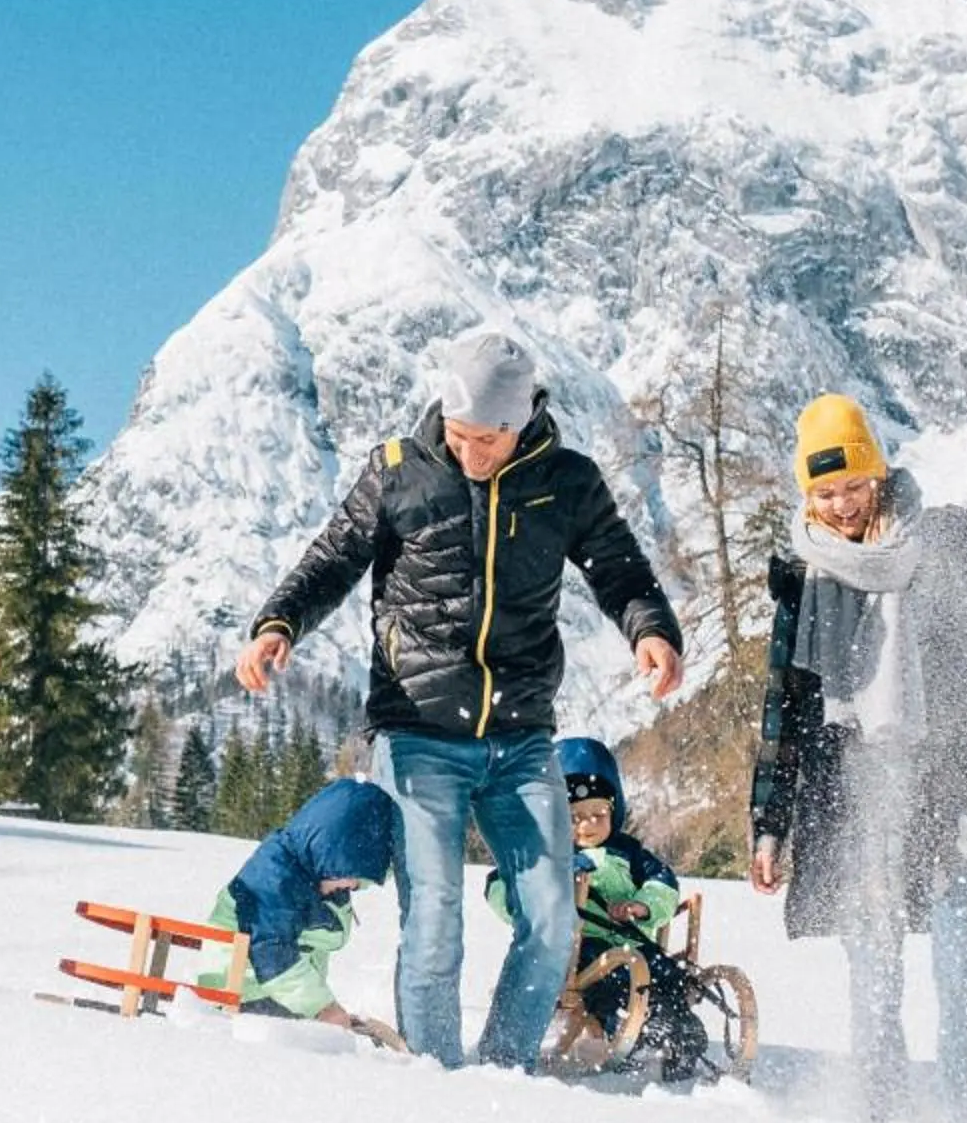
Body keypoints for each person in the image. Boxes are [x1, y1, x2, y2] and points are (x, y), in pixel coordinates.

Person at [238, 326, 684, 1069]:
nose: (471, 453)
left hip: (521, 739)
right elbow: (332, 558)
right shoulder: (398, 473)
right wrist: (277, 625)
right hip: (416, 732)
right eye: (458, 434)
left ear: (521, 422)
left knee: (549, 912)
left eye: (488, 439)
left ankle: (506, 1069)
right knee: (436, 916)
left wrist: (650, 630)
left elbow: (621, 568)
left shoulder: (566, 481)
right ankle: (434, 1075)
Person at [747, 394, 967, 1123]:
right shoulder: (807, 578)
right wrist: (768, 824)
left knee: (958, 967)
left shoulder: (946, 542)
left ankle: (961, 1121)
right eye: (824, 493)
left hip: (964, 788)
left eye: (854, 487)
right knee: (874, 973)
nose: (841, 507)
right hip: (863, 799)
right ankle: (877, 1120)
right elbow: (786, 707)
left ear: (879, 476)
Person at [487, 735, 712, 1080]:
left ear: (613, 809)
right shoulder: (548, 854)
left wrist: (642, 905)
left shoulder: (630, 853)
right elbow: (501, 884)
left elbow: (662, 884)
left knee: (667, 974)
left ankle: (681, 1030)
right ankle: (626, 1028)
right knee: (613, 981)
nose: (588, 824)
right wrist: (530, 903)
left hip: (632, 941)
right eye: (575, 817)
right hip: (579, 947)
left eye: (598, 814)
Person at [191, 777, 403, 1042]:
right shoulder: (273, 877)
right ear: (334, 849)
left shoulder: (320, 877)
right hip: (242, 993)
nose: (352, 886)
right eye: (352, 875)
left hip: (281, 996)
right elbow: (272, 953)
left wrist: (323, 1008)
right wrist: (323, 1008)